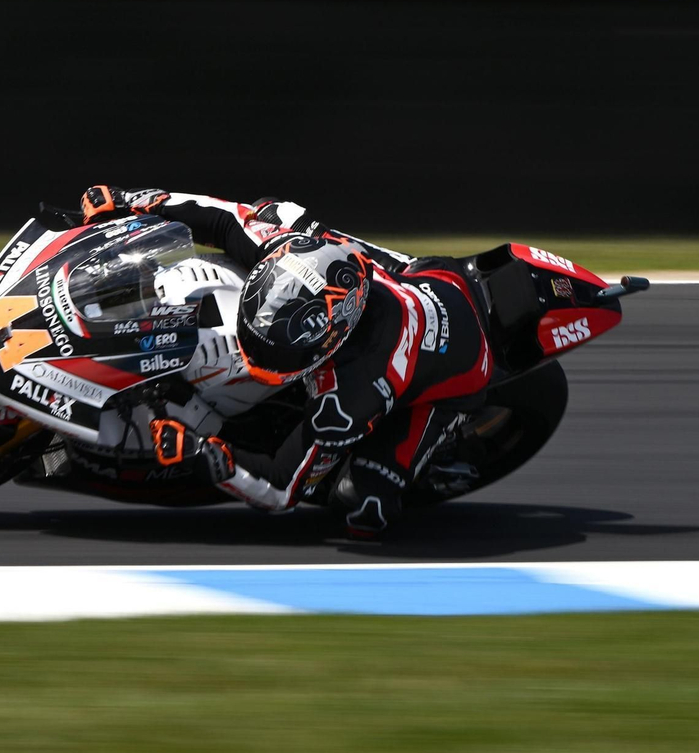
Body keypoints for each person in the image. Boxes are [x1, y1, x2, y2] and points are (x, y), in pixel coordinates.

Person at [79, 185, 493, 537]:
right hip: (430, 276)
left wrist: (204, 455)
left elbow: (282, 488)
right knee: (269, 207)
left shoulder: (350, 396)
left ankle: (415, 455)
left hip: (461, 370)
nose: (257, 356)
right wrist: (129, 198)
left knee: (360, 506)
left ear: (331, 342)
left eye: (279, 351)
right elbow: (221, 217)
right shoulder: (290, 242)